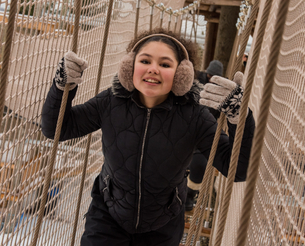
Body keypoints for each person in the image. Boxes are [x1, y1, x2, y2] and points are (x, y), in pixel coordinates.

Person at [41, 29, 255, 246]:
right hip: (108, 216)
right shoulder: (111, 102)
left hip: (163, 224)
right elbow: (58, 129)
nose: (153, 69)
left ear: (182, 75)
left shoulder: (195, 115)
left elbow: (237, 170)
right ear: (130, 66)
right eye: (145, 60)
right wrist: (61, 87)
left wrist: (240, 118)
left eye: (165, 64)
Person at [186, 60, 224, 211]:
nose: (211, 78)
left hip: (205, 131)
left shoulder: (220, 91)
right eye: (210, 75)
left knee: (200, 164)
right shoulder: (194, 82)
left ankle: (190, 194)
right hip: (188, 126)